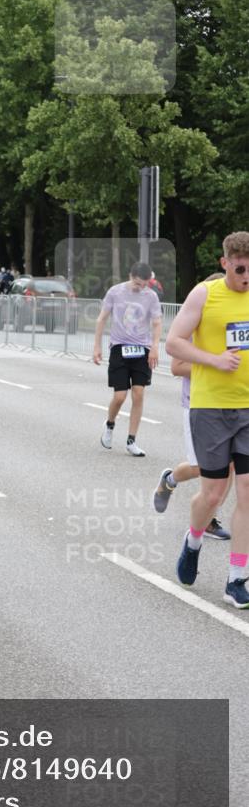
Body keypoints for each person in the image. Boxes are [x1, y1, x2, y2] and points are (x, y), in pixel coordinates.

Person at [165, 231, 249, 609]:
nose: (246, 277)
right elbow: (174, 342)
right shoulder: (204, 294)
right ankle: (194, 539)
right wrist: (214, 360)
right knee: (213, 493)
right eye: (240, 269)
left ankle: (236, 578)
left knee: (246, 491)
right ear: (225, 263)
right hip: (210, 408)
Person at [153, 273, 231, 540]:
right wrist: (214, 363)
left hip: (232, 403)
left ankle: (209, 519)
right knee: (203, 468)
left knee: (230, 467)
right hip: (198, 403)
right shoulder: (194, 324)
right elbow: (177, 367)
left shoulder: (233, 324)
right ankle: (170, 479)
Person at [93, 262, 163, 456]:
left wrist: (155, 347)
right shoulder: (115, 292)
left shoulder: (151, 296)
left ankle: (131, 441)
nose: (141, 288)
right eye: (138, 283)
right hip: (119, 347)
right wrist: (97, 346)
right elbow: (102, 319)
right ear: (131, 276)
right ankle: (110, 424)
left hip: (142, 349)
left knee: (138, 394)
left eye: (145, 285)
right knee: (120, 396)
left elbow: (157, 322)